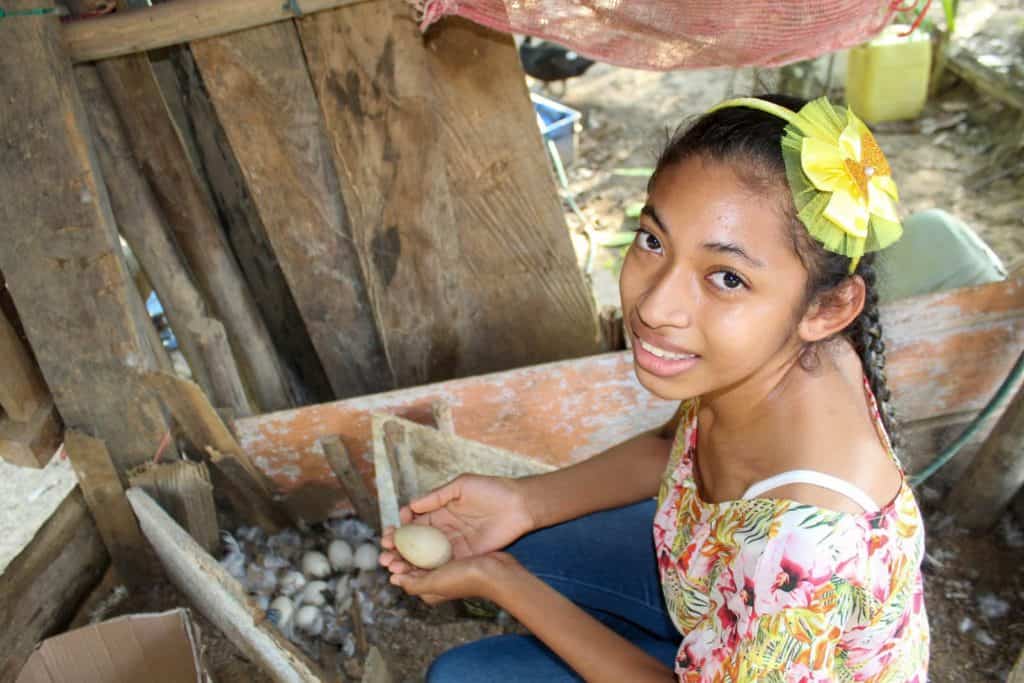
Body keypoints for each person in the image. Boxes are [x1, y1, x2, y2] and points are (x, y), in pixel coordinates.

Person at [378, 94, 931, 681]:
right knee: (507, 537)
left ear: (830, 307)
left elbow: (780, 569)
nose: (655, 305)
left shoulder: (809, 552)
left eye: (726, 277)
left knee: (463, 673)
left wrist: (503, 585)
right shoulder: (779, 354)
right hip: (716, 590)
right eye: (653, 242)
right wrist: (524, 501)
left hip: (770, 614)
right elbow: (677, 448)